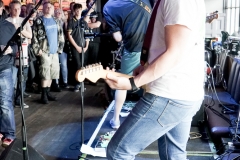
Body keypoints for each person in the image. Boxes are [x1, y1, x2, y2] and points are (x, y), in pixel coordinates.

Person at [105, 0, 206, 159]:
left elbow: (175, 53)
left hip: (169, 94)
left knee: (118, 152)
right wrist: (146, 65)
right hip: (182, 92)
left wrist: (133, 83)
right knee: (173, 154)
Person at [103, 0, 154, 129]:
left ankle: (115, 120)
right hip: (153, 46)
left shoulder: (109, 7)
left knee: (123, 84)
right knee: (148, 83)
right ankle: (145, 119)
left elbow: (118, 38)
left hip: (133, 47)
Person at [32, 2, 65, 104]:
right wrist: (38, 50)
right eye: (47, 7)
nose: (49, 8)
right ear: (43, 9)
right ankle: (43, 96)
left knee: (52, 74)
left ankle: (48, 93)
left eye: (51, 7)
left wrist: (60, 48)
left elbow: (61, 35)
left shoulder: (56, 20)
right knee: (45, 74)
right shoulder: (39, 21)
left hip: (54, 52)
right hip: (44, 52)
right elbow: (34, 37)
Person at [6, 0, 32, 109]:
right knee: (10, 79)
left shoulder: (24, 21)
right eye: (14, 9)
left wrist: (19, 29)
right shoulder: (5, 21)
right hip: (10, 55)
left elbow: (30, 36)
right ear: (10, 9)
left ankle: (19, 100)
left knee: (22, 78)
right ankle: (7, 102)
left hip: (23, 53)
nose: (17, 11)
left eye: (19, 9)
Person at [0, 0, 18, 148]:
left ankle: (9, 133)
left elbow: (17, 45)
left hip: (4, 68)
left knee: (5, 103)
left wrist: (10, 50)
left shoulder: (9, 26)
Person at [67, 3, 90, 92]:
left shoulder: (84, 22)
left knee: (83, 66)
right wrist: (76, 47)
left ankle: (82, 83)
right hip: (75, 47)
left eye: (79, 10)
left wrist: (86, 46)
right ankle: (77, 84)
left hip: (84, 47)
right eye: (76, 10)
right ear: (74, 11)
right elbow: (69, 35)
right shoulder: (71, 21)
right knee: (77, 65)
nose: (78, 11)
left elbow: (87, 35)